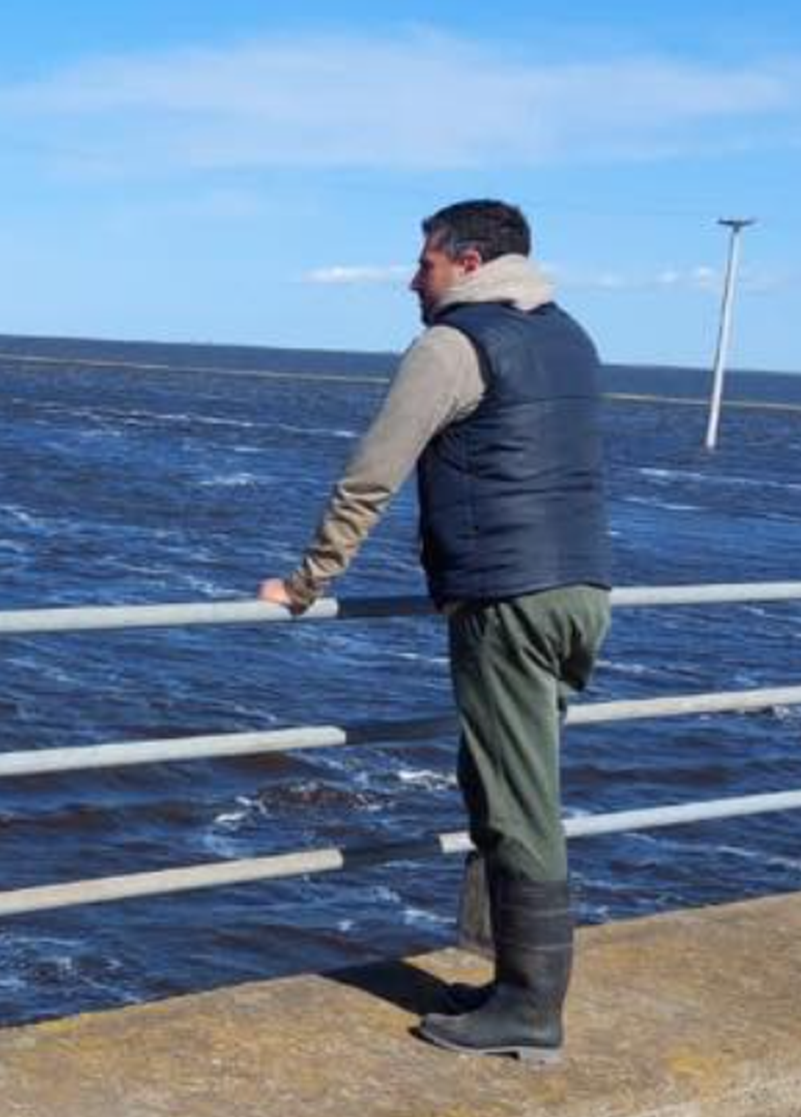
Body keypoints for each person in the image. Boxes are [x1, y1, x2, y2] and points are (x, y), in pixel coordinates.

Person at [258, 199, 611, 1061]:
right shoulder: (569, 335)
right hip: (580, 589)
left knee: (513, 798)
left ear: (466, 261)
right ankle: (513, 989)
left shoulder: (453, 346)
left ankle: (530, 1008)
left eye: (424, 262)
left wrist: (309, 581)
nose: (411, 278)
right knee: (518, 779)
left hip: (508, 596)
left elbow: (372, 474)